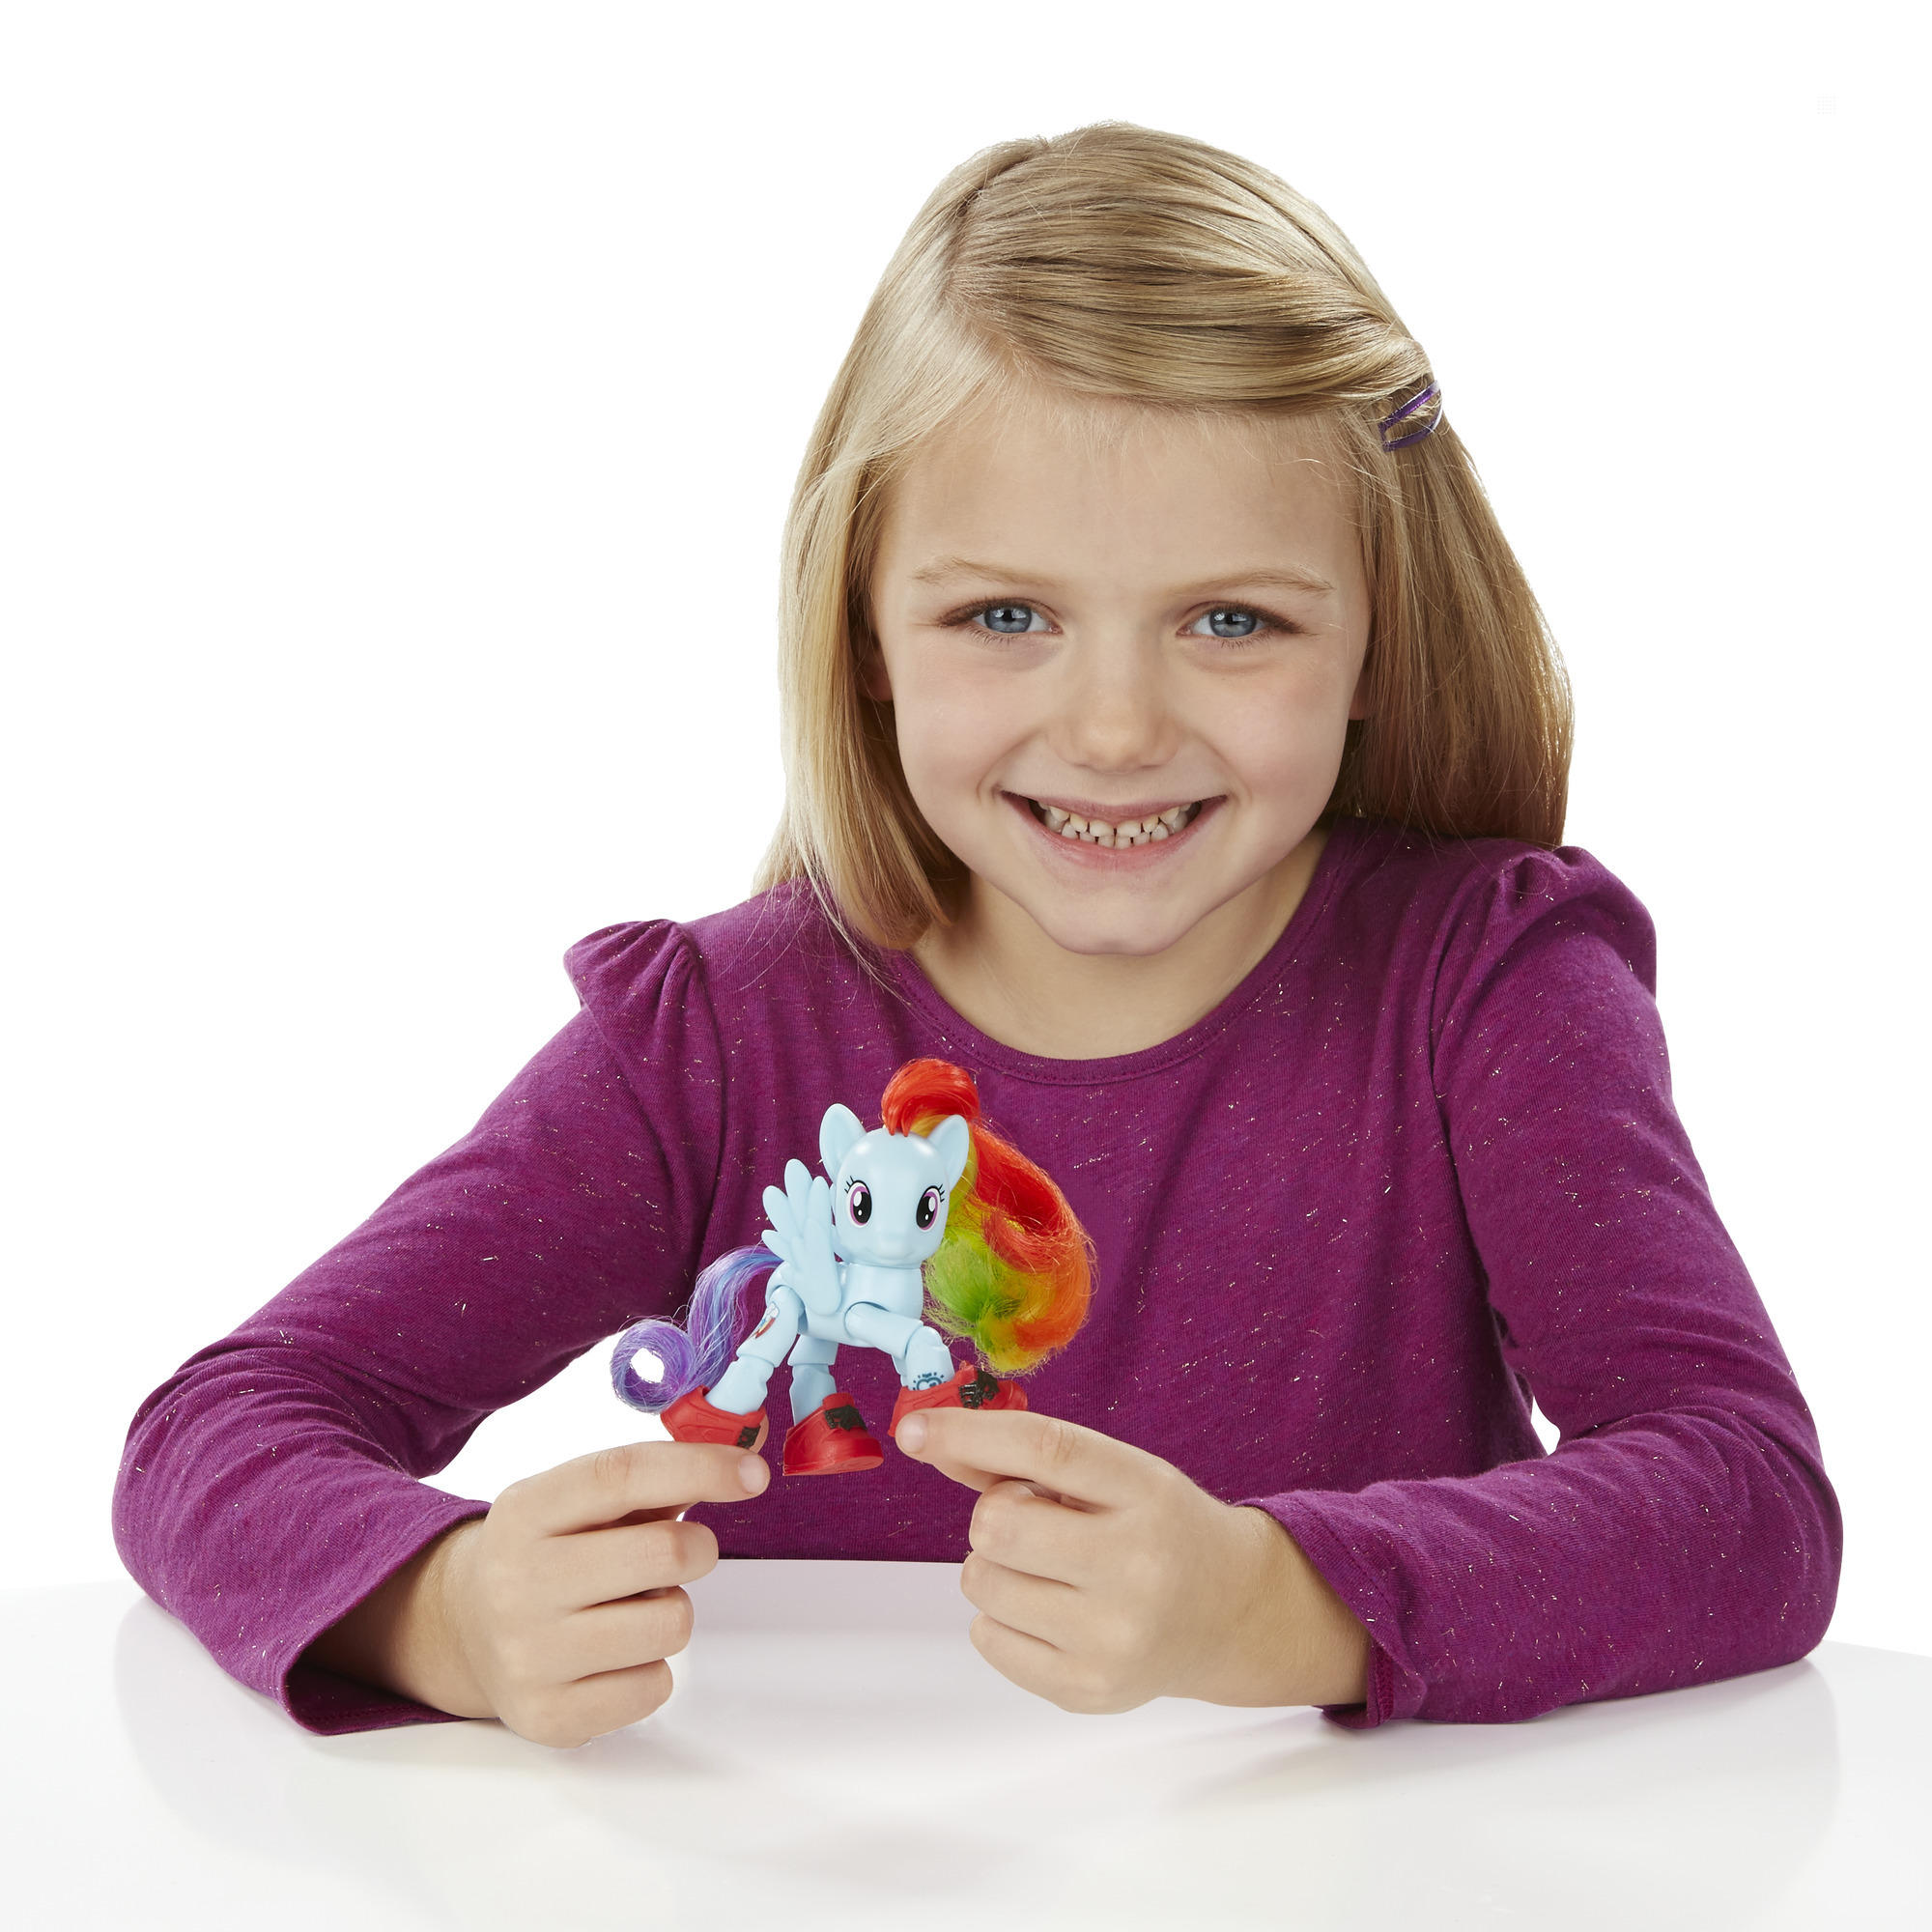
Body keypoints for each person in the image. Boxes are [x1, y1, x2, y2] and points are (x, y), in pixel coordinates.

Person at [112, 122, 1841, 1749]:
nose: (1113, 728)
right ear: (864, 624)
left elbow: (1748, 1502)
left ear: (1382, 634)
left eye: (1233, 620)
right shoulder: (715, 1042)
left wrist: (1275, 1606)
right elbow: (224, 1430)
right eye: (1004, 614)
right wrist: (438, 1613)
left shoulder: (1490, 991)